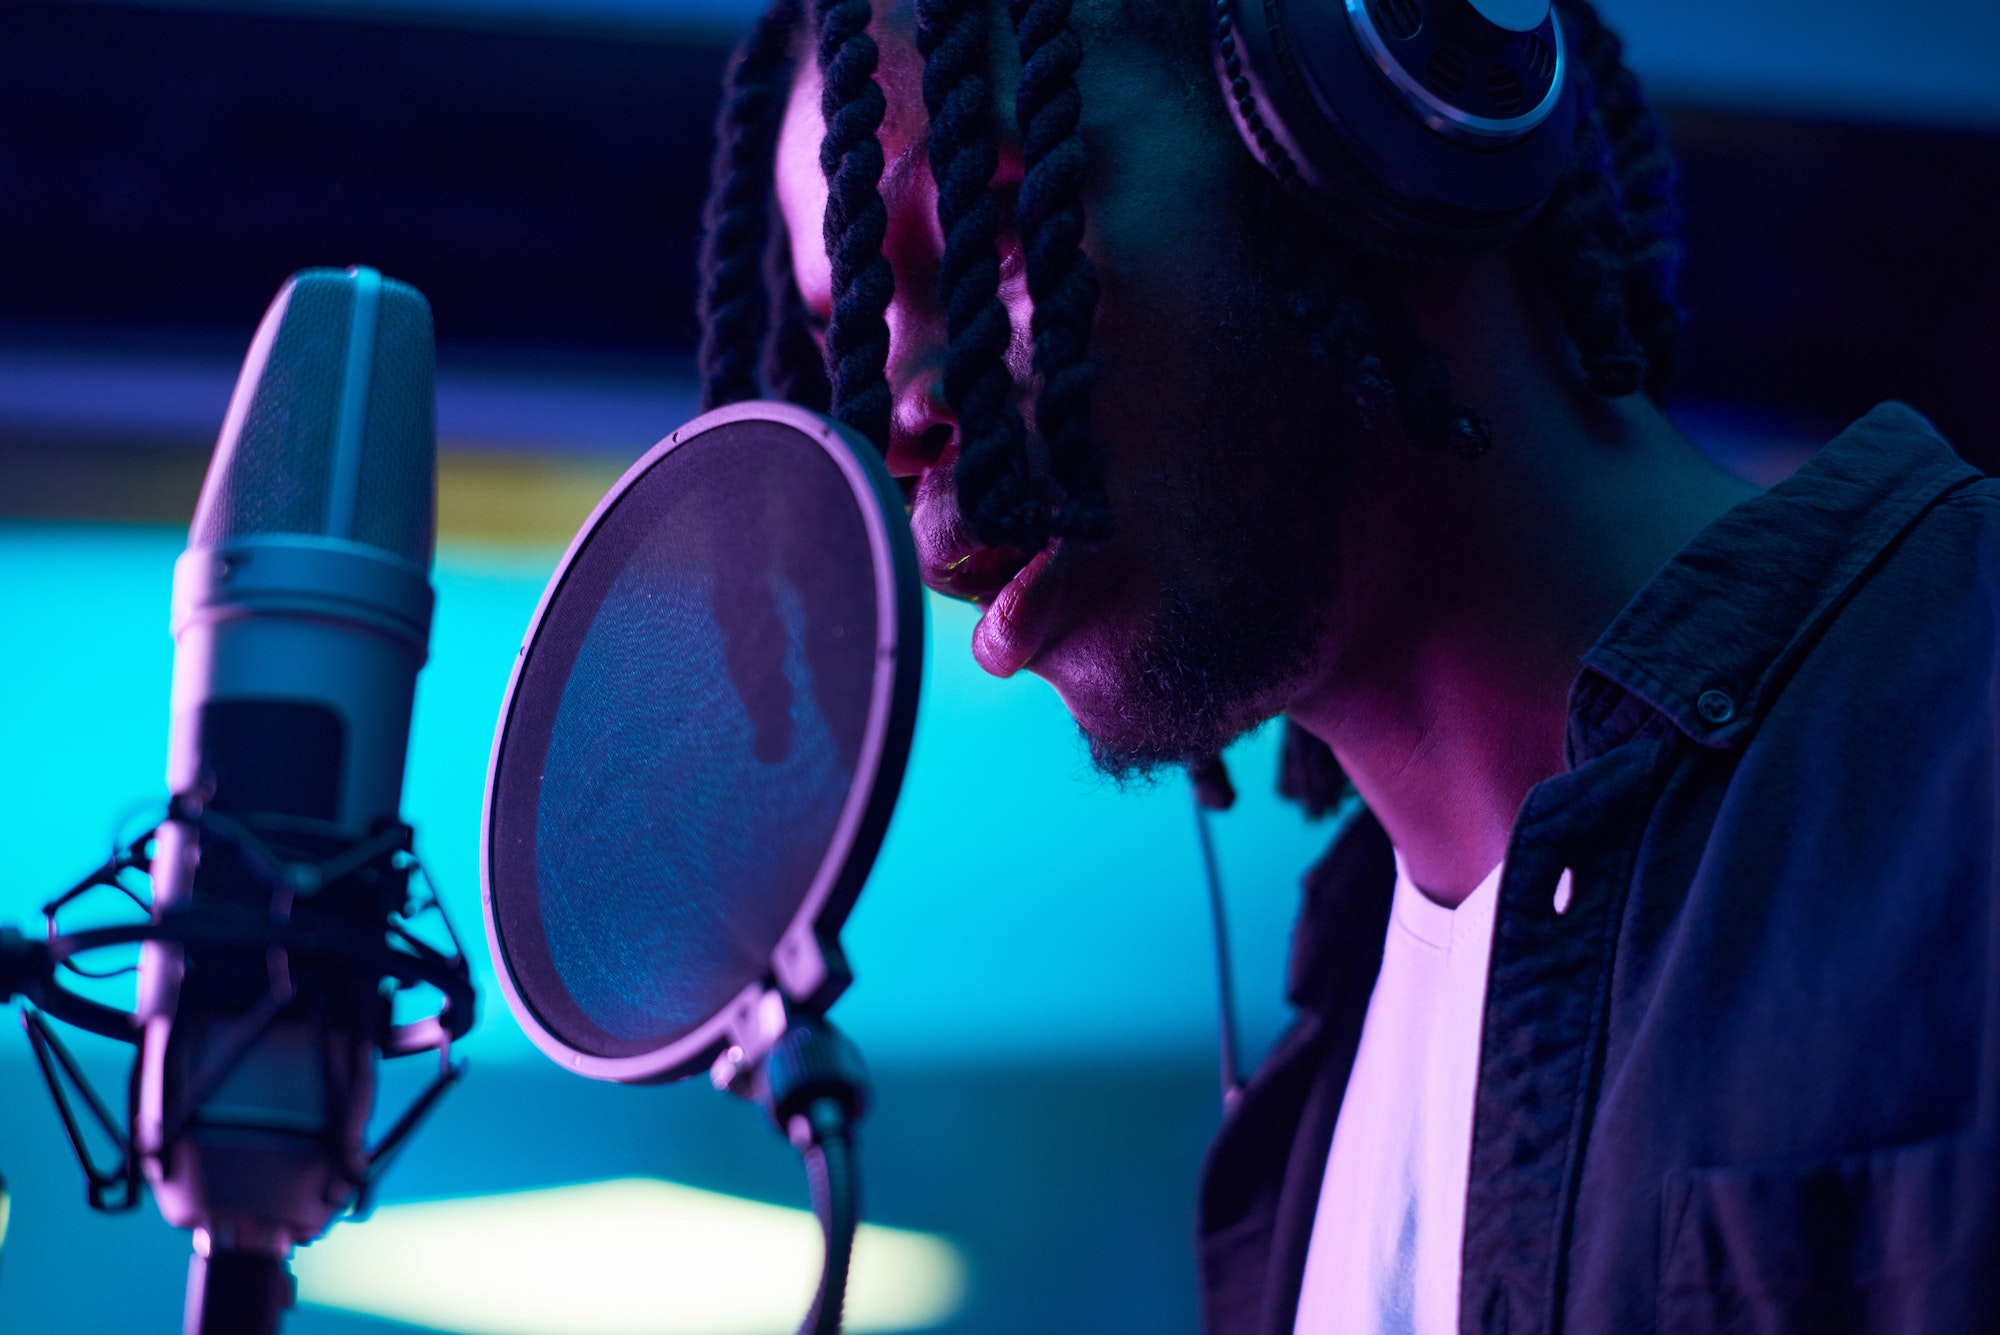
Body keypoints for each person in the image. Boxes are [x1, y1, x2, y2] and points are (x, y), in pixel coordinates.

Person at [693, 0, 2000, 1329]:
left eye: (998, 241)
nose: (901, 415)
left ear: (1368, 113)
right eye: (850, 331)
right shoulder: (1299, 1143)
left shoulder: (1970, 719)